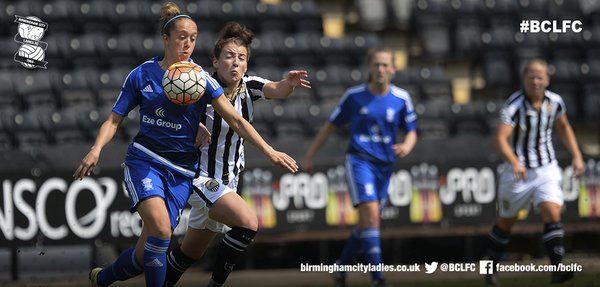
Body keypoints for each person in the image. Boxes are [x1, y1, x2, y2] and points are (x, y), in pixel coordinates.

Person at [73, 3, 298, 287]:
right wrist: (96, 149)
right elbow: (114, 120)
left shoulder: (201, 79)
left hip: (182, 172)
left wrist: (269, 151)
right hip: (147, 161)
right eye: (182, 36)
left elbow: (236, 120)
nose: (188, 43)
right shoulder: (142, 74)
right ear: (166, 39)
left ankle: (102, 278)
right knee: (162, 231)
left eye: (193, 38)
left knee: (149, 254)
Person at [163, 22, 310, 287]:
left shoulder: (249, 86)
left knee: (189, 253)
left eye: (241, 58)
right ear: (215, 62)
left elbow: (277, 90)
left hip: (228, 181)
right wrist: (195, 124)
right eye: (229, 57)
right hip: (201, 178)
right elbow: (173, 114)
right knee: (248, 223)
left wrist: (289, 84)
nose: (235, 63)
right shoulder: (199, 88)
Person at [303, 47, 417, 287]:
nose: (381, 69)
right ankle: (378, 277)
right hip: (359, 161)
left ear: (393, 69)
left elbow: (412, 131)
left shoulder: (401, 98)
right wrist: (310, 156)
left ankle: (340, 268)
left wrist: (407, 144)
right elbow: (329, 126)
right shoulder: (354, 96)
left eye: (386, 65)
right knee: (372, 217)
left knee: (367, 222)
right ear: (370, 67)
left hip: (385, 166)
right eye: (376, 64)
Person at [482, 59, 585, 285]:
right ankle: (489, 269)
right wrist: (514, 161)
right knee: (504, 223)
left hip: (546, 168)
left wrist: (577, 155)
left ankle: (557, 267)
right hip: (517, 173)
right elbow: (500, 139)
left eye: (540, 77)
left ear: (547, 80)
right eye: (531, 77)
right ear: (524, 79)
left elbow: (564, 127)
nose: (536, 81)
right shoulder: (514, 105)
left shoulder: (555, 102)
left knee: (552, 212)